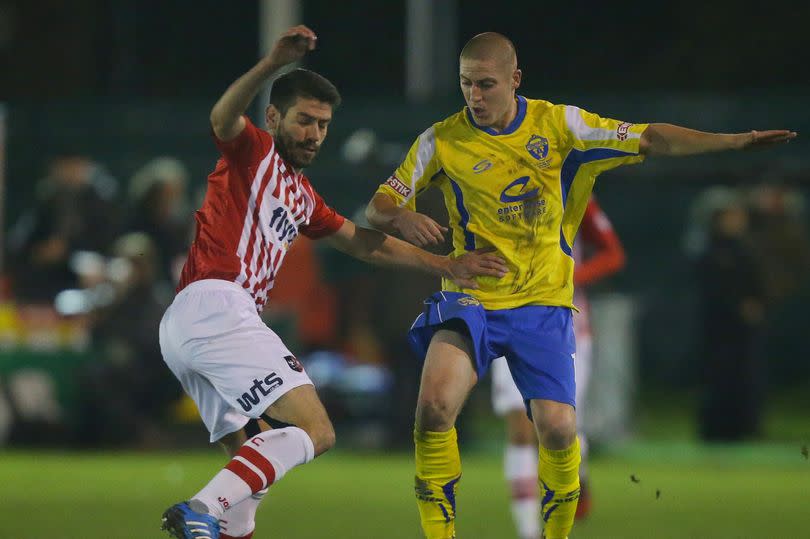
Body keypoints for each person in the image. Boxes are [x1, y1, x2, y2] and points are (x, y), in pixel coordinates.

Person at [365, 31, 796, 539]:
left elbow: (651, 137)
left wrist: (736, 141)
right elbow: (378, 206)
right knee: (434, 406)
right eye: (466, 85)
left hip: (542, 303)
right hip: (471, 295)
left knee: (559, 429)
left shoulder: (562, 126)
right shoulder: (441, 139)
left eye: (486, 84)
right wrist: (401, 219)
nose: (475, 96)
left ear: (515, 80)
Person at [157, 25, 508, 539]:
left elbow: (365, 241)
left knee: (249, 482)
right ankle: (199, 508)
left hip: (188, 325)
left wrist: (446, 266)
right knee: (315, 431)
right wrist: (272, 63)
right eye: (304, 120)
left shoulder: (302, 197)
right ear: (274, 117)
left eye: (322, 124)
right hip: (218, 305)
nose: (314, 134)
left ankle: (217, 517)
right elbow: (221, 117)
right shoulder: (252, 150)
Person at [489, 196, 625, 538]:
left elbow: (612, 253)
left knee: (559, 428)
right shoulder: (492, 182)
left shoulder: (575, 189)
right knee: (521, 428)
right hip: (510, 318)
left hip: (567, 326)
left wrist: (569, 276)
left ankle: (578, 469)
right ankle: (529, 532)